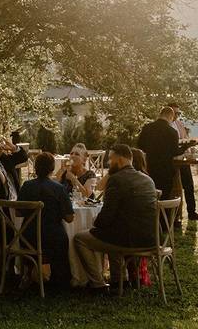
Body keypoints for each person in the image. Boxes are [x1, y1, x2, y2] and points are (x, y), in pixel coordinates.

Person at [74, 144, 158, 289]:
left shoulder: (116, 180)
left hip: (127, 239)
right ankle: (120, 280)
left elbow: (106, 217)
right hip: (150, 237)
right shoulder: (148, 180)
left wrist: (95, 222)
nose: (109, 163)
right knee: (112, 232)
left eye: (111, 159)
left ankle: (98, 283)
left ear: (119, 161)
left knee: (80, 238)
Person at [18, 152, 75, 288]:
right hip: (52, 239)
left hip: (28, 238)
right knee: (61, 237)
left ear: (36, 168)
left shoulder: (27, 186)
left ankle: (28, 274)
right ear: (52, 169)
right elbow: (69, 218)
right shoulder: (58, 189)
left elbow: (18, 212)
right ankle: (60, 279)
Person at [169, 103, 198, 221]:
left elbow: (184, 138)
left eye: (178, 113)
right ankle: (175, 215)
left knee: (189, 185)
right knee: (174, 188)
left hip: (183, 158)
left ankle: (192, 212)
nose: (177, 115)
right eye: (175, 113)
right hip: (171, 161)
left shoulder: (179, 124)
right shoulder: (164, 125)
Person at [136, 106, 181, 199]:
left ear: (160, 114)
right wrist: (185, 147)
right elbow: (175, 152)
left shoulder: (147, 128)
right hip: (165, 168)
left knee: (150, 194)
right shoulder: (172, 132)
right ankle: (163, 213)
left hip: (149, 166)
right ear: (170, 116)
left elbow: (139, 145)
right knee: (164, 196)